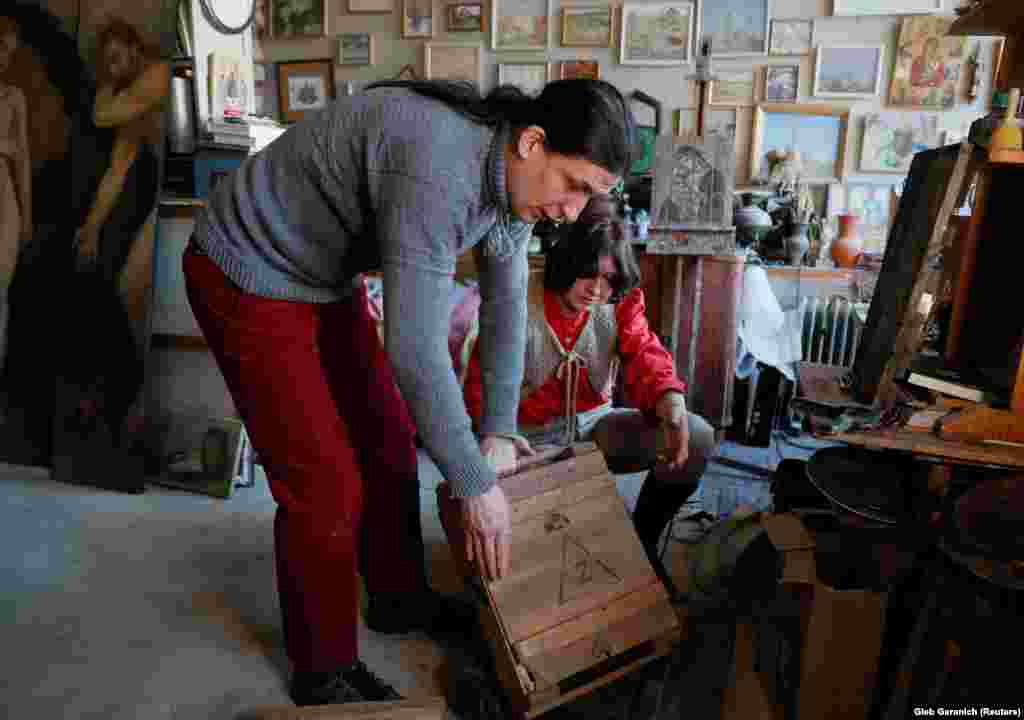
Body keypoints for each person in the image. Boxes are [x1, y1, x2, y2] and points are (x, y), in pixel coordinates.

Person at [182, 79, 634, 706]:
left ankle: (399, 599)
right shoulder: (440, 169)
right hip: (248, 267)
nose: (575, 211)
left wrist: (498, 430)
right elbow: (417, 352)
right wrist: (475, 483)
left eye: (593, 197)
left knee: (391, 443)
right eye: (576, 186)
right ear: (532, 143)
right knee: (325, 484)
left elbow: (504, 307)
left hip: (320, 274)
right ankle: (324, 668)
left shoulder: (514, 187)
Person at [462, 196, 715, 594]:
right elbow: (480, 382)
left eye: (610, 280)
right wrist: (490, 446)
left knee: (696, 437)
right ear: (568, 261)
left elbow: (646, 354)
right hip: (527, 439)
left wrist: (671, 401)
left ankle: (643, 541)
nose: (598, 290)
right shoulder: (518, 295)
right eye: (588, 275)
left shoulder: (621, 302)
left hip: (594, 427)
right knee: (521, 573)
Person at [67, 19, 168, 444]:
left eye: (115, 58)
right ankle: (109, 387)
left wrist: (108, 88)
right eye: (103, 63)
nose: (109, 69)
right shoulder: (130, 95)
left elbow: (103, 113)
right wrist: (90, 227)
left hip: (157, 189)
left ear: (133, 48)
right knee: (93, 273)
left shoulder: (156, 76)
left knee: (114, 282)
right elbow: (117, 169)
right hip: (133, 187)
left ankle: (120, 387)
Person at [0, 15, 30, 405]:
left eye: (8, 50)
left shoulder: (14, 97)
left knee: (1, 287)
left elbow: (21, 156)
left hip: (4, 189)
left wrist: (26, 213)